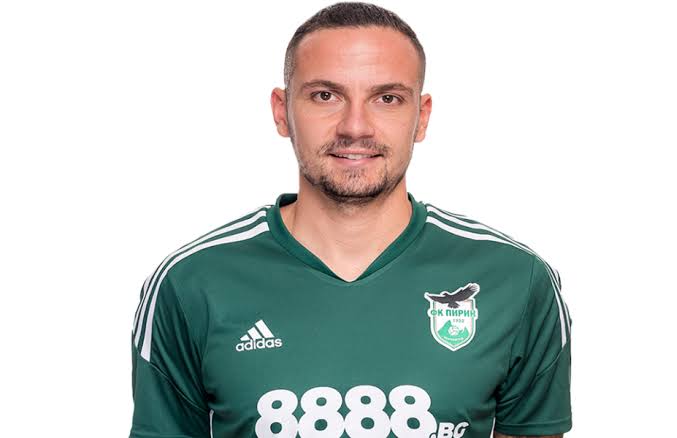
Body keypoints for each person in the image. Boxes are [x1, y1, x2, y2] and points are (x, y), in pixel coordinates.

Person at [129, 2, 573, 437]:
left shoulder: (515, 280)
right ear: (282, 112)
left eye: (387, 98)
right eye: (325, 95)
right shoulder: (190, 283)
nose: (355, 126)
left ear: (421, 117)